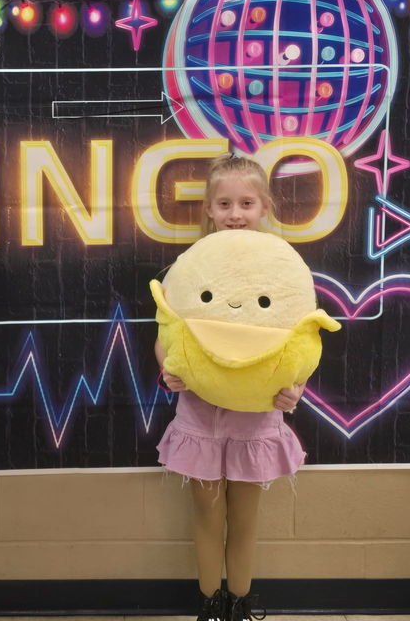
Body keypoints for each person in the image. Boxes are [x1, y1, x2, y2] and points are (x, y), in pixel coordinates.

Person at [155, 153, 305, 621]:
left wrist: (295, 387)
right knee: (206, 515)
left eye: (245, 203)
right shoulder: (191, 267)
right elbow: (168, 332)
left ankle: (240, 603)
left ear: (264, 206)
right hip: (200, 411)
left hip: (256, 411)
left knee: (244, 518)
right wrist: (168, 369)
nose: (235, 214)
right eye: (224, 204)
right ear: (208, 209)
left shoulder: (281, 270)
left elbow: (300, 336)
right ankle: (209, 605)